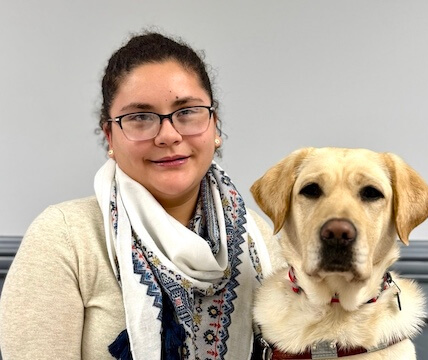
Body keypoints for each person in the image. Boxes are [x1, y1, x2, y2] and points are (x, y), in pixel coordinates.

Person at [0, 31, 273, 360]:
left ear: (215, 125)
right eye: (140, 117)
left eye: (187, 111)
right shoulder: (64, 238)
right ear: (110, 136)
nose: (168, 135)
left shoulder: (262, 238)